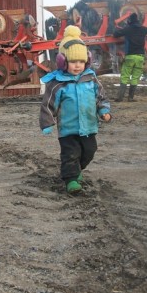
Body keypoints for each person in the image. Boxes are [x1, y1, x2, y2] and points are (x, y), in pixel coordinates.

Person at [39, 25, 112, 194]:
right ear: (63, 62)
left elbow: (101, 96)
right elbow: (48, 104)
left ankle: (76, 170)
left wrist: (103, 111)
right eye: (73, 62)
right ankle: (71, 180)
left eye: (81, 62)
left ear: (87, 61)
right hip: (68, 129)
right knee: (70, 154)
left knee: (89, 152)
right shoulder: (58, 83)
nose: (77, 65)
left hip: (89, 126)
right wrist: (47, 122)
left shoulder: (91, 78)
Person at [112, 12, 147, 102]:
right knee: (135, 77)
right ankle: (130, 98)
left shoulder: (128, 29)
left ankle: (120, 98)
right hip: (140, 57)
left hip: (130, 56)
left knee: (125, 76)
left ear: (129, 21)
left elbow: (115, 34)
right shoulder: (143, 29)